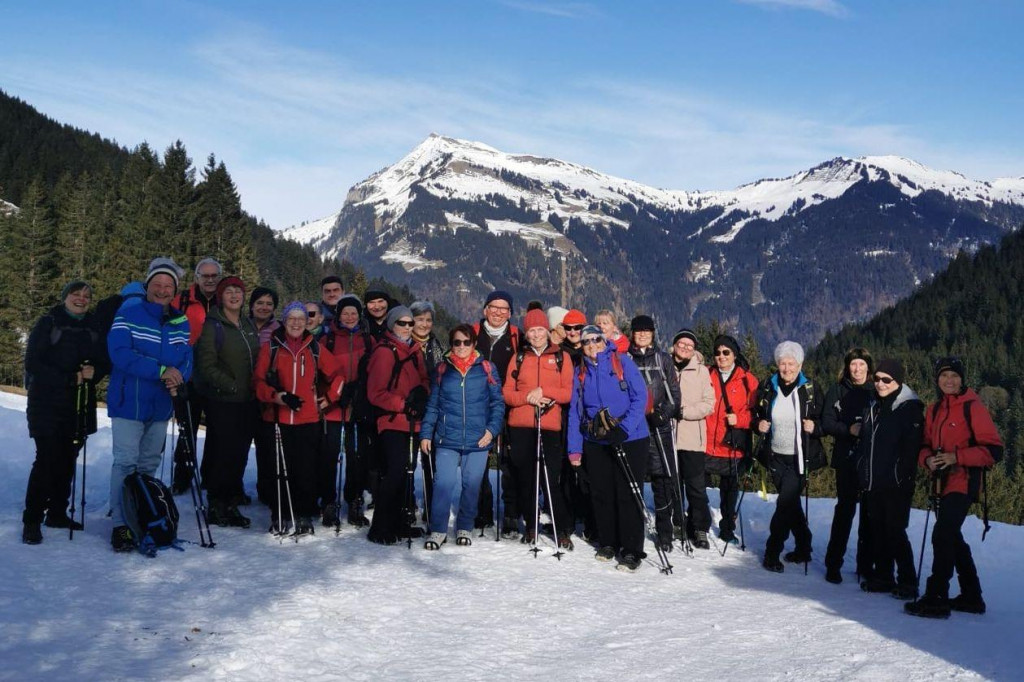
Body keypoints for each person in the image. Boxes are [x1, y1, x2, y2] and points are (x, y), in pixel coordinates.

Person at [906, 357, 1003, 618]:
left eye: (954, 376)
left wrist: (955, 457)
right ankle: (972, 596)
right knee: (952, 537)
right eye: (944, 376)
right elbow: (924, 444)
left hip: (964, 480)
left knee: (942, 534)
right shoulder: (935, 409)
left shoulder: (973, 407)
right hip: (940, 482)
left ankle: (936, 597)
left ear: (962, 379)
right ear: (937, 380)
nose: (949, 381)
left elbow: (994, 451)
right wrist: (927, 459)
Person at [107, 258, 192, 552]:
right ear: (147, 286)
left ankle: (142, 513)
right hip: (129, 400)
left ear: (175, 290)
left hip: (159, 405)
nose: (163, 289)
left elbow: (186, 357)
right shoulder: (128, 312)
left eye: (169, 285)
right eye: (157, 284)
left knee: (147, 464)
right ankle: (120, 523)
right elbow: (119, 353)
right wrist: (159, 371)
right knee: (126, 462)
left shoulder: (181, 320)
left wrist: (180, 376)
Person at [22, 280, 108, 544]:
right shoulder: (50, 322)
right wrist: (72, 378)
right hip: (46, 403)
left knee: (68, 457)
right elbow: (33, 363)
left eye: (86, 296)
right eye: (76, 294)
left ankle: (57, 512)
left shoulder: (94, 326)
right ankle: (32, 519)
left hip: (79, 404)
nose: (81, 299)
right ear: (65, 297)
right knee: (46, 459)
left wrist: (95, 373)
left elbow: (103, 361)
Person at [253, 302, 342, 535]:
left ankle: (303, 514)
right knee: (279, 469)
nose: (296, 323)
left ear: (306, 323)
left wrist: (330, 397)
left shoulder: (314, 348)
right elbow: (258, 383)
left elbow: (338, 375)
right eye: (291, 318)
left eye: (300, 319)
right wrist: (278, 396)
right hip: (277, 418)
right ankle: (279, 513)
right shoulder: (271, 347)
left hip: (308, 419)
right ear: (284, 320)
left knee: (305, 470)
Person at [568, 325, 651, 572]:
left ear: (605, 341)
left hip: (631, 438)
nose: (592, 345)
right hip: (596, 439)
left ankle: (631, 549)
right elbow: (575, 412)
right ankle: (608, 542)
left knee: (627, 493)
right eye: (586, 342)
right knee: (602, 493)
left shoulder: (622, 363)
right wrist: (574, 449)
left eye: (596, 339)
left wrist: (624, 428)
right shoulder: (580, 371)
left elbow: (641, 397)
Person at [419, 325, 505, 549]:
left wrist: (491, 430)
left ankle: (464, 526)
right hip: (447, 437)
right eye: (457, 342)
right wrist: (426, 433)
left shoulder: (486, 368)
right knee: (443, 483)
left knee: (472, 485)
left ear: (474, 344)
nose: (462, 347)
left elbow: (497, 403)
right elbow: (433, 405)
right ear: (451, 345)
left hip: (479, 439)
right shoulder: (442, 370)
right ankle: (438, 530)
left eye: (467, 342)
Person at [502, 308, 574, 548]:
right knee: (526, 479)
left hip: (550, 425)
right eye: (531, 330)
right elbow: (507, 394)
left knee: (551, 478)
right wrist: (528, 398)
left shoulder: (562, 357)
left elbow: (567, 393)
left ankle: (561, 527)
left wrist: (545, 392)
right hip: (521, 425)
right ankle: (531, 525)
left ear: (548, 330)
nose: (536, 335)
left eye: (540, 329)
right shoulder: (519, 357)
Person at [193, 275, 260, 528]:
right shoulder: (214, 325)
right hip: (224, 401)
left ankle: (231, 500)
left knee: (239, 454)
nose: (234, 296)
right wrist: (231, 385)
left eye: (238, 292)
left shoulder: (246, 324)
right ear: (221, 297)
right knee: (224, 454)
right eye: (229, 291)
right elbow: (206, 365)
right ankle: (217, 504)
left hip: (248, 401)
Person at [855, 359, 924, 600]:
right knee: (878, 529)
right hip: (873, 479)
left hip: (896, 483)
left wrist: (900, 476)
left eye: (887, 380)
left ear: (898, 381)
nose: (881, 383)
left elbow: (911, 449)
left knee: (895, 531)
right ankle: (884, 576)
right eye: (877, 379)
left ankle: (908, 581)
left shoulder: (909, 409)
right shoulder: (875, 404)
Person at [754, 341, 824, 572]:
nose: (787, 368)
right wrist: (758, 424)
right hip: (775, 456)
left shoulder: (810, 389)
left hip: (799, 459)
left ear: (800, 364)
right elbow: (755, 414)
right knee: (791, 505)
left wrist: (815, 427)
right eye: (782, 363)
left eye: (791, 363)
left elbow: (826, 422)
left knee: (784, 505)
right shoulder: (768, 386)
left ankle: (772, 553)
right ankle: (804, 548)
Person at [365, 305, 429, 544]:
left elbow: (424, 380)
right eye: (403, 323)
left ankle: (400, 523)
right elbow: (376, 393)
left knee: (406, 474)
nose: (408, 328)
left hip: (412, 421)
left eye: (411, 324)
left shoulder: (414, 350)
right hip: (392, 422)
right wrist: (403, 404)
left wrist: (422, 395)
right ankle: (380, 527)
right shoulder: (384, 352)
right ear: (392, 325)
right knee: (394, 474)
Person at [626, 315, 682, 552]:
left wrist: (666, 412)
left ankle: (665, 533)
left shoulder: (663, 359)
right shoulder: (625, 358)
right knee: (633, 482)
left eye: (646, 331)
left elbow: (675, 394)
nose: (642, 335)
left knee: (663, 481)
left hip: (659, 427)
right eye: (638, 331)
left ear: (653, 333)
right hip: (634, 427)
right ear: (632, 334)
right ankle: (632, 530)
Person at [821, 348, 875, 584]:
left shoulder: (876, 390)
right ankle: (833, 564)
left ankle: (865, 565)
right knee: (844, 512)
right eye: (854, 364)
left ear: (868, 367)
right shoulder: (837, 389)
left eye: (862, 365)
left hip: (870, 460)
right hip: (846, 458)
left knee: (868, 515)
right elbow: (827, 421)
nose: (857, 369)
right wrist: (848, 430)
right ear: (847, 366)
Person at [170, 257, 222, 494]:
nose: (210, 280)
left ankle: (211, 477)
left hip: (216, 376)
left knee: (217, 430)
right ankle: (182, 477)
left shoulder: (227, 301)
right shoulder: (181, 300)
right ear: (197, 278)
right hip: (188, 376)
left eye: (214, 276)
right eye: (205, 276)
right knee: (186, 429)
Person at [472, 290, 521, 533]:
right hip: (478, 407)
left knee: (509, 462)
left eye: (504, 309)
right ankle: (482, 511)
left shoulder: (516, 338)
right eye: (494, 307)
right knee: (479, 457)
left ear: (510, 313)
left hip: (509, 406)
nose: (498, 312)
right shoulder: (471, 334)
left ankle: (511, 513)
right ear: (485, 310)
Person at [706, 334, 759, 545]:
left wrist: (741, 419)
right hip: (707, 442)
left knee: (729, 490)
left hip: (732, 445)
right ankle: (697, 524)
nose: (721, 356)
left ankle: (727, 527)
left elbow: (757, 415)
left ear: (735, 355)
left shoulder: (748, 380)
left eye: (726, 352)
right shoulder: (707, 374)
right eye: (717, 352)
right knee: (695, 485)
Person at [326, 294, 374, 526]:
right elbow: (322, 371)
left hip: (359, 408)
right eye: (345, 313)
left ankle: (354, 500)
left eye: (354, 313)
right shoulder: (329, 339)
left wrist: (360, 390)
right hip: (335, 408)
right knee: (330, 456)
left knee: (357, 458)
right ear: (338, 315)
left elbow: (374, 371)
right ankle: (328, 501)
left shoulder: (368, 339)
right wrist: (335, 392)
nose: (349, 317)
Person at [670, 329, 715, 549]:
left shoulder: (701, 371)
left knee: (696, 487)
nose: (685, 348)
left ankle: (700, 528)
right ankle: (678, 522)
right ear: (675, 345)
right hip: (668, 436)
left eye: (690, 345)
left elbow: (709, 403)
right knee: (673, 484)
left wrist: (685, 411)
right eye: (682, 343)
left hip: (693, 439)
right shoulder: (665, 366)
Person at [410, 300, 446, 384]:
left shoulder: (439, 346)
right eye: (420, 320)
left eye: (428, 320)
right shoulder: (405, 345)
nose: (424, 324)